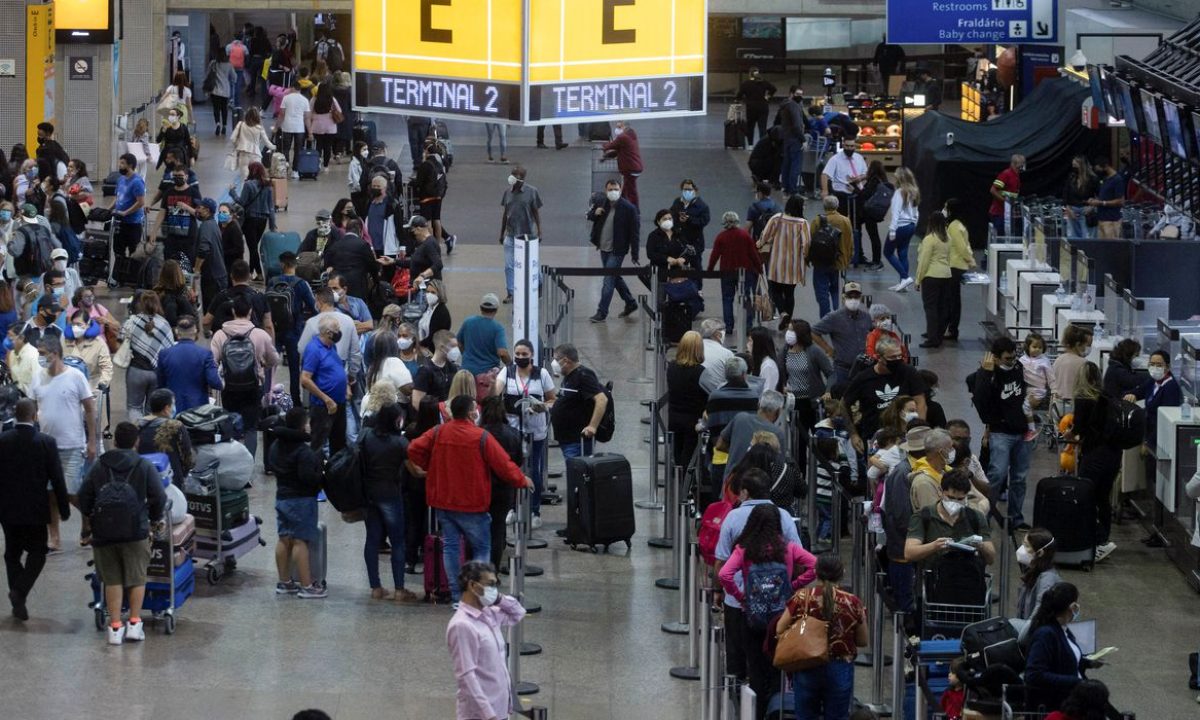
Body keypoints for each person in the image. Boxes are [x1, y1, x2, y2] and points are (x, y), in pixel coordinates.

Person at [408, 396, 532, 602]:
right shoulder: (481, 437)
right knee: (482, 548)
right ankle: (479, 596)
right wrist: (521, 480)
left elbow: (413, 449)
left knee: (451, 547)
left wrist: (430, 466)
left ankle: (458, 597)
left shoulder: (438, 432)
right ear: (469, 413)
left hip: (443, 500)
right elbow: (504, 464)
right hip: (472, 503)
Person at [718, 503, 817, 718]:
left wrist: (742, 596)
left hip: (752, 617)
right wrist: (794, 585)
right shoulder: (788, 548)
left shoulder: (744, 550)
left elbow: (724, 574)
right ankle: (776, 712)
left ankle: (755, 713)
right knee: (778, 670)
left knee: (755, 669)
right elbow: (815, 565)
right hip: (782, 617)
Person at [715, 468, 806, 692]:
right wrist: (791, 587)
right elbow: (801, 559)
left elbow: (721, 563)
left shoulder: (733, 517)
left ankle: (736, 704)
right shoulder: (783, 515)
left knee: (737, 656)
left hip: (740, 602)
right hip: (776, 602)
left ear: (745, 491)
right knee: (772, 656)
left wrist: (726, 592)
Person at [77, 421, 166, 645]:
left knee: (112, 578)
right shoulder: (144, 466)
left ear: (114, 441)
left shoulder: (100, 466)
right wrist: (153, 518)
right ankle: (134, 624)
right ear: (137, 442)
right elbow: (159, 497)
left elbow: (83, 496)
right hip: (136, 531)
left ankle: (115, 627)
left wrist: (91, 517)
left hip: (104, 532)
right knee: (137, 577)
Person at [0, 398, 68, 619]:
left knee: (12, 554)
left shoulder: (3, 440)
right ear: (34, 415)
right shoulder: (46, 442)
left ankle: (18, 597)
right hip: (36, 509)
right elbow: (57, 478)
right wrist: (64, 507)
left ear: (15, 414)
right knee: (38, 553)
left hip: (7, 509)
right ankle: (19, 592)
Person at [779, 554, 867, 719]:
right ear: (842, 573)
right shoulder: (853, 602)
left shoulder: (801, 598)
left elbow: (779, 629)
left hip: (807, 664)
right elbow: (863, 640)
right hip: (840, 667)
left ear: (816, 573)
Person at [445, 561, 527, 720]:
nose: (493, 590)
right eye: (490, 584)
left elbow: (518, 612)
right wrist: (489, 714)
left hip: (500, 709)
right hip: (481, 715)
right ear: (472, 585)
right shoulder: (462, 625)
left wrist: (498, 599)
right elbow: (466, 676)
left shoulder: (488, 614)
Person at [360, 401, 419, 602]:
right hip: (391, 494)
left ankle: (375, 587)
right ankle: (399, 589)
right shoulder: (400, 443)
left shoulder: (366, 436)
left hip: (369, 494)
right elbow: (415, 470)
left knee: (372, 539)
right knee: (398, 542)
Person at [493, 340, 556, 526]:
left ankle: (535, 511)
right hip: (513, 428)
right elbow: (496, 391)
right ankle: (511, 507)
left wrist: (541, 406)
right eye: (517, 354)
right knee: (512, 467)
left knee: (534, 469)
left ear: (532, 355)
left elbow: (553, 399)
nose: (520, 357)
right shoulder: (508, 372)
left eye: (524, 354)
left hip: (535, 427)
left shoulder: (542, 374)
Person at [974, 337, 1033, 529]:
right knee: (997, 475)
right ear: (996, 358)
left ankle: (1016, 517)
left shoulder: (1017, 369)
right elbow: (980, 400)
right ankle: (986, 515)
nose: (1012, 362)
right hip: (1001, 432)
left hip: (1021, 432)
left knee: (1019, 477)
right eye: (1007, 359)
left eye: (1014, 358)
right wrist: (985, 372)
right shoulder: (988, 375)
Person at [211, 294, 280, 460]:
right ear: (250, 311)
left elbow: (212, 362)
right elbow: (274, 359)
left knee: (230, 424)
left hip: (229, 388)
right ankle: (248, 468)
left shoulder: (220, 335)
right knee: (250, 428)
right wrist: (263, 365)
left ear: (233, 311)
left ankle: (232, 465)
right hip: (253, 386)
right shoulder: (260, 334)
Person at [268, 407, 327, 599]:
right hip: (301, 500)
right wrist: (321, 476)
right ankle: (307, 585)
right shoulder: (303, 451)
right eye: (307, 422)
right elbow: (308, 478)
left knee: (284, 538)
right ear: (302, 425)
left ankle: (284, 582)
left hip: (282, 496)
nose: (309, 426)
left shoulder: (276, 445)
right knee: (300, 541)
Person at [1069, 362, 1120, 561]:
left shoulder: (1083, 398)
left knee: (1085, 497)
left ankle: (1098, 540)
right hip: (1113, 454)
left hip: (1094, 455)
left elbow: (1080, 428)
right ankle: (1103, 539)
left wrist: (1070, 433)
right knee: (1102, 498)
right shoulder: (1108, 397)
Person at [1023, 582, 1100, 710]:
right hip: (1057, 701)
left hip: (1071, 696)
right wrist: (1076, 682)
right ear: (1072, 606)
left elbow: (1064, 659)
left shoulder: (1063, 630)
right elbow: (1034, 675)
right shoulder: (1046, 634)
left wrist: (1088, 663)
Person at [843, 335, 927, 441]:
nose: (897, 360)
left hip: (903, 435)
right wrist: (853, 434)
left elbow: (920, 402)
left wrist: (918, 430)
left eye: (899, 356)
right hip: (874, 436)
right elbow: (844, 404)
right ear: (879, 357)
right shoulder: (863, 378)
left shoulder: (909, 372)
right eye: (892, 357)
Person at [904, 469, 996, 566]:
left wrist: (981, 546)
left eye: (960, 499)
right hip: (936, 577)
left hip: (968, 576)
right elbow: (909, 553)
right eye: (950, 498)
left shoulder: (976, 517)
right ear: (942, 492)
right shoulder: (923, 517)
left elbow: (991, 559)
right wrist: (934, 546)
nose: (954, 503)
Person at [299, 313, 354, 455]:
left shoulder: (331, 346)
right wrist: (326, 399)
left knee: (339, 442)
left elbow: (337, 368)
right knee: (318, 443)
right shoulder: (314, 349)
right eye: (337, 329)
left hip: (339, 403)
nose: (339, 332)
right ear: (329, 333)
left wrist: (346, 386)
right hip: (323, 406)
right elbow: (305, 379)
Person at [587, 179, 640, 323]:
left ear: (620, 190)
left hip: (618, 251)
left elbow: (635, 233)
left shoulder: (629, 209)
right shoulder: (602, 203)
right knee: (615, 277)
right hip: (604, 248)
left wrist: (635, 253)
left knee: (608, 280)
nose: (613, 192)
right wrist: (595, 213)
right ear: (606, 190)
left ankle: (601, 312)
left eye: (616, 189)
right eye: (610, 189)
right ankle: (630, 302)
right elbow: (590, 216)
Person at [479, 395, 522, 567]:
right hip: (504, 488)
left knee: (481, 528)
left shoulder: (480, 434)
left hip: (483, 486)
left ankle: (480, 566)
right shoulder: (513, 433)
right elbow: (518, 461)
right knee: (498, 528)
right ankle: (493, 569)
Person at [759, 194, 811, 330]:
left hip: (776, 263)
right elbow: (806, 245)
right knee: (789, 293)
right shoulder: (803, 223)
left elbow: (765, 235)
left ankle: (782, 313)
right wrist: (805, 258)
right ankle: (788, 322)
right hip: (794, 265)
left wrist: (758, 245)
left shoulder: (777, 218)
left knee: (774, 290)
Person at [550, 343, 608, 460]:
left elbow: (602, 399)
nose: (554, 363)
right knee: (574, 474)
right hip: (567, 439)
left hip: (577, 441)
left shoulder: (584, 375)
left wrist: (592, 426)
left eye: (556, 359)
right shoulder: (569, 376)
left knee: (578, 475)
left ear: (565, 360)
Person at [274, 251, 319, 403]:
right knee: (294, 368)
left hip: (275, 329)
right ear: (295, 264)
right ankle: (296, 401)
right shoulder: (301, 284)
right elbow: (314, 308)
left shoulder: (273, 281)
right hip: (294, 330)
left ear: (282, 264)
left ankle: (269, 397)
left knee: (270, 366)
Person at [707, 211, 761, 332]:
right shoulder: (745, 235)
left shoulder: (721, 237)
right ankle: (748, 325)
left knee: (727, 299)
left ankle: (729, 326)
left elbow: (714, 255)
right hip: (745, 271)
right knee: (747, 298)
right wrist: (759, 269)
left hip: (726, 272)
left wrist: (710, 269)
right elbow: (753, 254)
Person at [155, 314, 222, 413]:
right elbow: (215, 383)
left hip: (172, 408)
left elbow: (160, 385)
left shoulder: (164, 354)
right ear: (195, 331)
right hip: (198, 409)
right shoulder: (205, 354)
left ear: (177, 331)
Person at [715, 391, 786, 482]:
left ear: (759, 404)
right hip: (759, 489)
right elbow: (779, 468)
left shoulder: (740, 418)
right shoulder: (777, 434)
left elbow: (719, 445)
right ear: (778, 411)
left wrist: (738, 451)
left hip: (731, 486)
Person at [813, 282, 872, 385]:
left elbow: (872, 333)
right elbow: (813, 331)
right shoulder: (834, 317)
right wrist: (828, 349)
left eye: (856, 296)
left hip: (864, 368)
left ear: (860, 298)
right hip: (843, 369)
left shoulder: (866, 317)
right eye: (850, 296)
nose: (853, 300)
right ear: (844, 297)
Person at [499, 166, 543, 304]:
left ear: (522, 178)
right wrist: (501, 233)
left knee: (532, 264)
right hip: (511, 235)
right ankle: (511, 292)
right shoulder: (507, 192)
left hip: (527, 236)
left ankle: (539, 284)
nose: (511, 177)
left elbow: (536, 212)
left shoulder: (532, 192)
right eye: (511, 174)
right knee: (509, 265)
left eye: (515, 175)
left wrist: (540, 230)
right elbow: (505, 214)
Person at [780, 318, 833, 430]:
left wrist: (828, 391)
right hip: (793, 401)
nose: (788, 334)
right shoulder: (785, 350)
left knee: (816, 435)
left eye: (791, 331)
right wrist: (783, 386)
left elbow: (831, 373)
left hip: (811, 402)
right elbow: (782, 371)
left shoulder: (814, 351)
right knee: (798, 440)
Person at [667, 331, 708, 473]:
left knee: (677, 453)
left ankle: (676, 482)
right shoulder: (701, 372)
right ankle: (685, 486)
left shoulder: (671, 367)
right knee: (689, 457)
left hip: (673, 416)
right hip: (693, 419)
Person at [136, 389, 193, 489]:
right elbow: (188, 457)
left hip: (144, 479)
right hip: (172, 481)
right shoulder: (175, 426)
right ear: (166, 408)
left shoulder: (138, 425)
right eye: (173, 404)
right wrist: (184, 474)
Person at [203, 259, 275, 338]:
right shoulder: (260, 297)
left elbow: (206, 321)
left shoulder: (221, 296)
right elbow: (268, 325)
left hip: (227, 343)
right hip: (253, 342)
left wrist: (208, 333)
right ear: (249, 276)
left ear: (231, 276)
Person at [808, 195, 853, 318]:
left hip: (820, 262)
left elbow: (810, 241)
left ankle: (826, 316)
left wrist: (807, 259)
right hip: (838, 261)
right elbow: (850, 242)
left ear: (824, 206)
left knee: (821, 291)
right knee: (835, 287)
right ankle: (836, 310)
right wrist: (847, 259)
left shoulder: (817, 221)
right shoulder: (845, 221)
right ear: (837, 206)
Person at [915, 211, 954, 347]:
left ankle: (932, 338)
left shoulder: (929, 239)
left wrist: (918, 279)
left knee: (930, 308)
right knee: (942, 307)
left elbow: (924, 261)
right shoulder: (948, 237)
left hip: (931, 277)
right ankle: (938, 333)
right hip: (946, 275)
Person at [458, 293, 510, 390]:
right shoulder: (497, 328)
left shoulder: (468, 322)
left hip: (466, 372)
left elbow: (459, 342)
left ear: (481, 307)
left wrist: (466, 354)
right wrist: (510, 365)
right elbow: (502, 353)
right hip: (487, 376)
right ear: (496, 309)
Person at [64, 309, 113, 410]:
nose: (75, 328)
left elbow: (107, 367)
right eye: (73, 324)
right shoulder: (64, 341)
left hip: (91, 389)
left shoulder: (99, 343)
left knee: (90, 420)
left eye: (79, 324)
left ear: (88, 324)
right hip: (67, 389)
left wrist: (102, 384)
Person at [322, 218, 379, 303]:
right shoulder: (363, 244)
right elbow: (372, 266)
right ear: (360, 230)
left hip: (338, 284)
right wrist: (376, 282)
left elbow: (326, 263)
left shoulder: (335, 245)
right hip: (357, 285)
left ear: (346, 229)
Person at [236, 162, 277, 281]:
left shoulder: (248, 185)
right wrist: (272, 224)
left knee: (252, 248)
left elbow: (242, 202)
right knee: (253, 246)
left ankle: (258, 274)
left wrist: (232, 193)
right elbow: (271, 207)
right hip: (262, 221)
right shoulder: (268, 185)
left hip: (250, 220)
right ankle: (251, 272)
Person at [884, 167, 921, 292]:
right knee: (902, 253)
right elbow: (916, 211)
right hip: (910, 226)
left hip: (900, 226)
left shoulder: (899, 192)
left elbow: (896, 212)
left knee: (888, 252)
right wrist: (914, 223)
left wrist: (892, 230)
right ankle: (902, 283)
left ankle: (905, 277)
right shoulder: (914, 191)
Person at [943, 198, 974, 340]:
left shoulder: (954, 226)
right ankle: (949, 328)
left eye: (946, 207)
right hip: (956, 265)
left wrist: (970, 260)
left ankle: (952, 329)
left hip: (954, 265)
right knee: (952, 299)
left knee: (952, 300)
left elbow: (962, 247)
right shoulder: (957, 224)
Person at [1016, 527, 1062, 622]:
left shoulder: (1047, 580)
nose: (1022, 549)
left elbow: (1037, 617)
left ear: (1040, 552)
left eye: (1027, 546)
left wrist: (1020, 635)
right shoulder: (1032, 571)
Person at [192, 199, 230, 312]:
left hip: (213, 279)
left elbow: (204, 250)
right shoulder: (213, 224)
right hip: (218, 276)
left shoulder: (206, 226)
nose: (197, 210)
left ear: (207, 210)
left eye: (200, 207)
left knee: (212, 311)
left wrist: (197, 269)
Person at [410, 329, 460, 413]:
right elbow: (416, 402)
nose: (456, 350)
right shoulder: (425, 371)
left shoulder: (453, 368)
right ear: (442, 348)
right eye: (453, 346)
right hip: (432, 418)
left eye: (457, 346)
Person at [413, 141, 451, 249]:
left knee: (428, 221)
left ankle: (430, 245)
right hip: (438, 196)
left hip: (426, 197)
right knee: (437, 220)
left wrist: (413, 182)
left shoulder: (425, 165)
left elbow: (419, 182)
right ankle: (438, 244)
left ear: (426, 151)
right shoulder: (439, 164)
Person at [1142, 349, 1182, 449]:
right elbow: (1139, 390)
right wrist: (1131, 395)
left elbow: (1163, 420)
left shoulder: (1170, 387)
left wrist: (1148, 443)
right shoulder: (1153, 380)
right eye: (1152, 364)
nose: (1155, 368)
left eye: (1159, 365)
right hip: (1149, 432)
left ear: (1167, 367)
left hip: (1159, 441)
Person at [669, 179, 711, 274]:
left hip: (695, 242)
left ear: (695, 190)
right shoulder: (677, 202)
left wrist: (689, 220)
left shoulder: (702, 206)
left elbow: (704, 221)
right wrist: (677, 220)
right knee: (677, 266)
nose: (687, 192)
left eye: (689, 189)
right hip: (679, 241)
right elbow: (670, 215)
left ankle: (698, 287)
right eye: (685, 190)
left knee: (696, 266)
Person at [600, 120, 644, 207]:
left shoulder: (622, 137)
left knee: (631, 191)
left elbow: (610, 146)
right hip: (635, 167)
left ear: (625, 127)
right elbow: (619, 150)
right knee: (626, 188)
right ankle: (620, 204)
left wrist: (603, 145)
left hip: (630, 168)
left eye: (619, 127)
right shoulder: (631, 136)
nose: (617, 129)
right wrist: (606, 156)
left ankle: (635, 209)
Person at [821, 138, 868, 219]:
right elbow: (825, 174)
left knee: (858, 218)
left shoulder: (859, 158)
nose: (849, 148)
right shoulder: (835, 159)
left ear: (855, 146)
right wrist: (825, 191)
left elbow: (866, 174)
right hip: (841, 193)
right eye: (847, 146)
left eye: (852, 146)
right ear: (843, 145)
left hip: (857, 192)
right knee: (841, 219)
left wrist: (859, 179)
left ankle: (856, 230)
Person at [111, 154, 147, 258]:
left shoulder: (137, 182)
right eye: (120, 162)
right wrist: (109, 210)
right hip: (120, 222)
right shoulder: (120, 179)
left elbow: (140, 202)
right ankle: (119, 272)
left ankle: (131, 273)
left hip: (133, 223)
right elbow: (117, 197)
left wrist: (125, 213)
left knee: (133, 252)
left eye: (122, 163)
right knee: (118, 250)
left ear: (130, 165)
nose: (119, 165)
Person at [854, 161, 888, 269]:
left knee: (873, 236)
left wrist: (854, 189)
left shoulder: (874, 181)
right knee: (873, 236)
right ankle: (873, 259)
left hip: (869, 213)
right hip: (873, 211)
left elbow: (865, 194)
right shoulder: (881, 180)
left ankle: (876, 261)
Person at [275, 80, 312, 174]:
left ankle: (285, 168)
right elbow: (307, 118)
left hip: (287, 126)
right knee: (298, 150)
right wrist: (310, 132)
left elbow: (281, 114)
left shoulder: (286, 98)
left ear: (293, 88)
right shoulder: (305, 100)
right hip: (300, 128)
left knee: (286, 149)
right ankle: (295, 171)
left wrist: (276, 126)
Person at [229, 107, 276, 179]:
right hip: (256, 155)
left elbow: (232, 138)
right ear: (258, 117)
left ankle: (246, 188)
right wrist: (275, 147)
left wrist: (238, 145)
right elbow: (268, 143)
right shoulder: (259, 128)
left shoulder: (241, 124)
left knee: (245, 178)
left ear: (246, 115)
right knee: (256, 178)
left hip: (243, 153)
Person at [736, 68, 777, 147]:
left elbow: (739, 96)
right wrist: (768, 96)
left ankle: (750, 145)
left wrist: (739, 101)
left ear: (750, 74)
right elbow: (774, 89)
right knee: (762, 127)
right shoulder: (764, 82)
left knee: (750, 127)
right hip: (763, 107)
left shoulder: (746, 84)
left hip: (751, 108)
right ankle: (762, 145)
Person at [777, 86, 807, 195]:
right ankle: (793, 190)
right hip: (795, 139)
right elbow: (796, 125)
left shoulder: (784, 105)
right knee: (795, 165)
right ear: (791, 94)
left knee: (787, 164)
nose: (800, 96)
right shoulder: (794, 106)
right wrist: (803, 139)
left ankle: (785, 187)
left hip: (786, 138)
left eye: (801, 94)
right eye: (798, 94)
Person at [363, 174, 403, 257]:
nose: (375, 188)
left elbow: (399, 225)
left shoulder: (392, 204)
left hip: (387, 248)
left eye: (378, 186)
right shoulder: (369, 203)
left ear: (384, 188)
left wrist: (402, 247)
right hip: (371, 248)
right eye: (374, 186)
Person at [305, 83, 342, 171]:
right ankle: (326, 166)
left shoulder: (314, 99)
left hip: (317, 126)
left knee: (319, 145)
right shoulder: (332, 99)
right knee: (328, 146)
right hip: (330, 126)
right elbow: (339, 110)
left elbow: (309, 112)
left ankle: (317, 162)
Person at [1051, 324, 1093, 401]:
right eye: (1087, 345)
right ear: (1078, 344)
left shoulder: (1058, 360)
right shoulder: (1084, 363)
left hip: (1058, 405)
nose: (1088, 348)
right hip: (1075, 406)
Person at [1088, 156, 1125, 240]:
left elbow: (1120, 201)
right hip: (1101, 219)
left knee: (1112, 247)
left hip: (1112, 220)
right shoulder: (1105, 179)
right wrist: (1094, 202)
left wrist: (1102, 203)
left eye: (1099, 170)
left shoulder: (1117, 180)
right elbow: (1103, 196)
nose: (1098, 173)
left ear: (1105, 166)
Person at [1062, 155, 1099, 239]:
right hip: (1073, 210)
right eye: (1073, 166)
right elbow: (1065, 194)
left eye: (1076, 166)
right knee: (1072, 237)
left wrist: (1092, 207)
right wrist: (1068, 209)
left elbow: (1099, 195)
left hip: (1086, 211)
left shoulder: (1093, 179)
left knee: (1088, 237)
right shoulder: (1071, 177)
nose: (1074, 168)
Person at [989, 153, 1025, 237]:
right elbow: (992, 190)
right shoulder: (1006, 174)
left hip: (1008, 213)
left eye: (1022, 165)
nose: (1021, 168)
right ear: (1013, 164)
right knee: (999, 238)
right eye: (1019, 166)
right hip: (999, 213)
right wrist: (1005, 201)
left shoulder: (1017, 176)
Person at [403, 214, 444, 283]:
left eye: (412, 230)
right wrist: (394, 261)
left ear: (419, 229)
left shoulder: (429, 244)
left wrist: (422, 276)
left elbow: (438, 264)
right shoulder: (422, 243)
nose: (412, 233)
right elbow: (415, 262)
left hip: (427, 288)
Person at [698, 319, 735, 394]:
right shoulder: (727, 354)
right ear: (718, 334)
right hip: (718, 396)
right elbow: (734, 379)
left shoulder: (694, 349)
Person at [206, 49, 237, 136]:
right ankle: (224, 126)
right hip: (225, 91)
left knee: (216, 109)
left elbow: (208, 74)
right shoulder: (229, 65)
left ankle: (217, 124)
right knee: (224, 109)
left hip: (215, 91)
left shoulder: (213, 63)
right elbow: (234, 77)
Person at [416, 279, 452, 352]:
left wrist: (418, 344)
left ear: (440, 294)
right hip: (425, 347)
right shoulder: (429, 308)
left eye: (433, 292)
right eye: (428, 292)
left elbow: (433, 337)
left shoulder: (441, 312)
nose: (429, 295)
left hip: (434, 350)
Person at [6, 325, 40, 395]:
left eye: (11, 336)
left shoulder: (34, 356)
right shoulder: (12, 354)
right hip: (17, 399)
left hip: (31, 402)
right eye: (7, 335)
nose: (7, 339)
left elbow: (39, 385)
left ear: (21, 338)